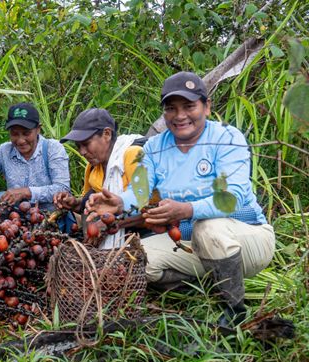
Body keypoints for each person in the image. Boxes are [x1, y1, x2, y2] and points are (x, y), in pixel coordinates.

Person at [86, 71, 275, 326]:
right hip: (191, 242)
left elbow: (234, 198)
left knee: (208, 229)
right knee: (138, 259)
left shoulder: (227, 138)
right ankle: (206, 287)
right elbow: (140, 193)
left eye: (189, 106)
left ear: (206, 107)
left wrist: (186, 209)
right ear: (165, 113)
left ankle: (234, 313)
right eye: (171, 108)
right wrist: (119, 203)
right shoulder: (154, 147)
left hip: (248, 237)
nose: (180, 115)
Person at [53, 108, 145, 248]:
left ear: (107, 134)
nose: (82, 152)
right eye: (78, 146)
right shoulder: (92, 167)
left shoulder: (134, 156)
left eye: (86, 144)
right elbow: (90, 207)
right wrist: (74, 204)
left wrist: (114, 223)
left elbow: (152, 210)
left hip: (144, 234)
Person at [0, 102, 70, 213]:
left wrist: (26, 192)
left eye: (26, 133)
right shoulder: (4, 151)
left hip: (51, 216)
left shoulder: (53, 148)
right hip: (15, 219)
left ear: (38, 129)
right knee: (0, 198)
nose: (21, 140)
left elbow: (62, 189)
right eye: (15, 134)